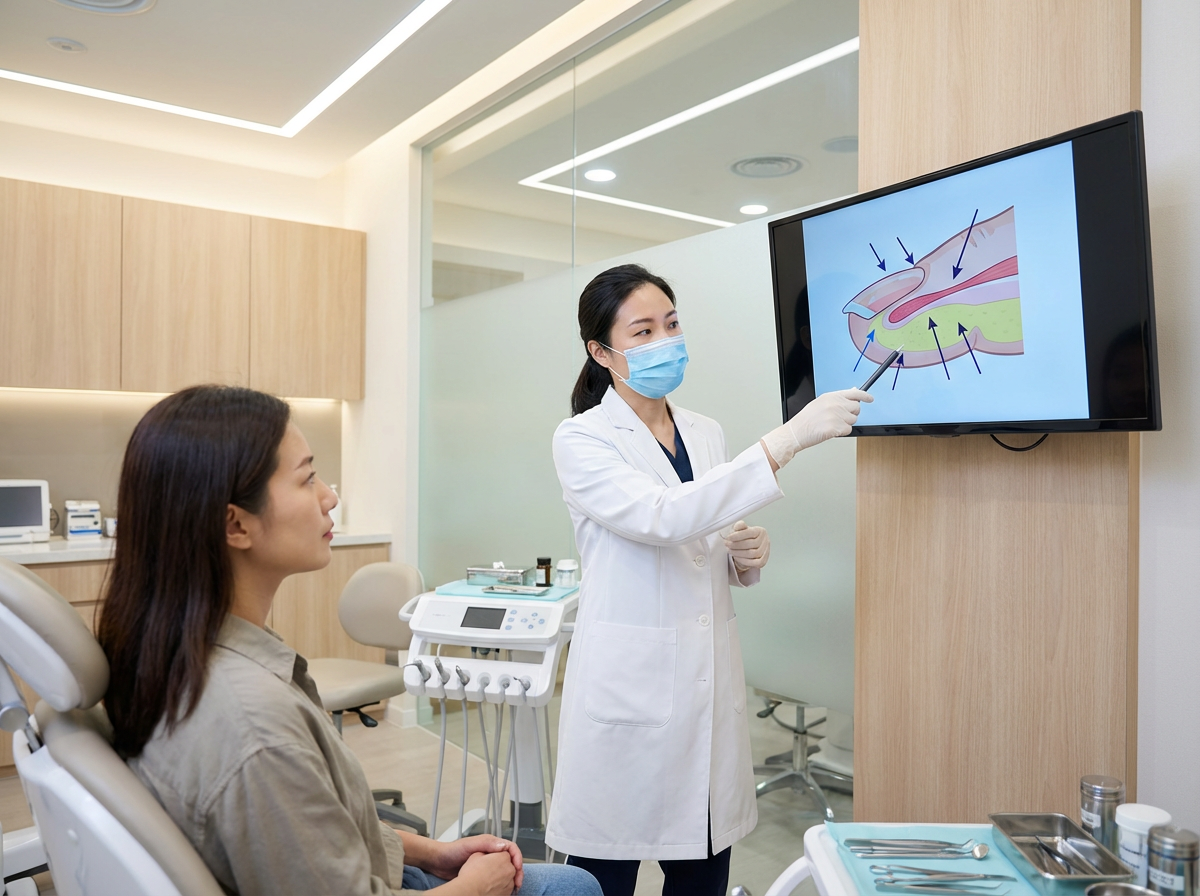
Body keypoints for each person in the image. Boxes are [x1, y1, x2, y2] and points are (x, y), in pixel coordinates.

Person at [97, 385, 601, 896]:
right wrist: (478, 887)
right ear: (235, 523)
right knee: (575, 887)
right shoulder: (256, 729)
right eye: (308, 477)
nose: (329, 497)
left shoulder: (179, 653)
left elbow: (318, 837)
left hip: (374, 863)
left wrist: (435, 852)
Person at [546, 265, 870, 896]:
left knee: (702, 875)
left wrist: (742, 555)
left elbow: (705, 538)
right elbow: (660, 517)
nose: (664, 339)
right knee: (598, 882)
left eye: (671, 323)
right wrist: (788, 440)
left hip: (705, 691)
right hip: (628, 695)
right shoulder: (582, 439)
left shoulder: (704, 431)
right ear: (600, 352)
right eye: (642, 331)